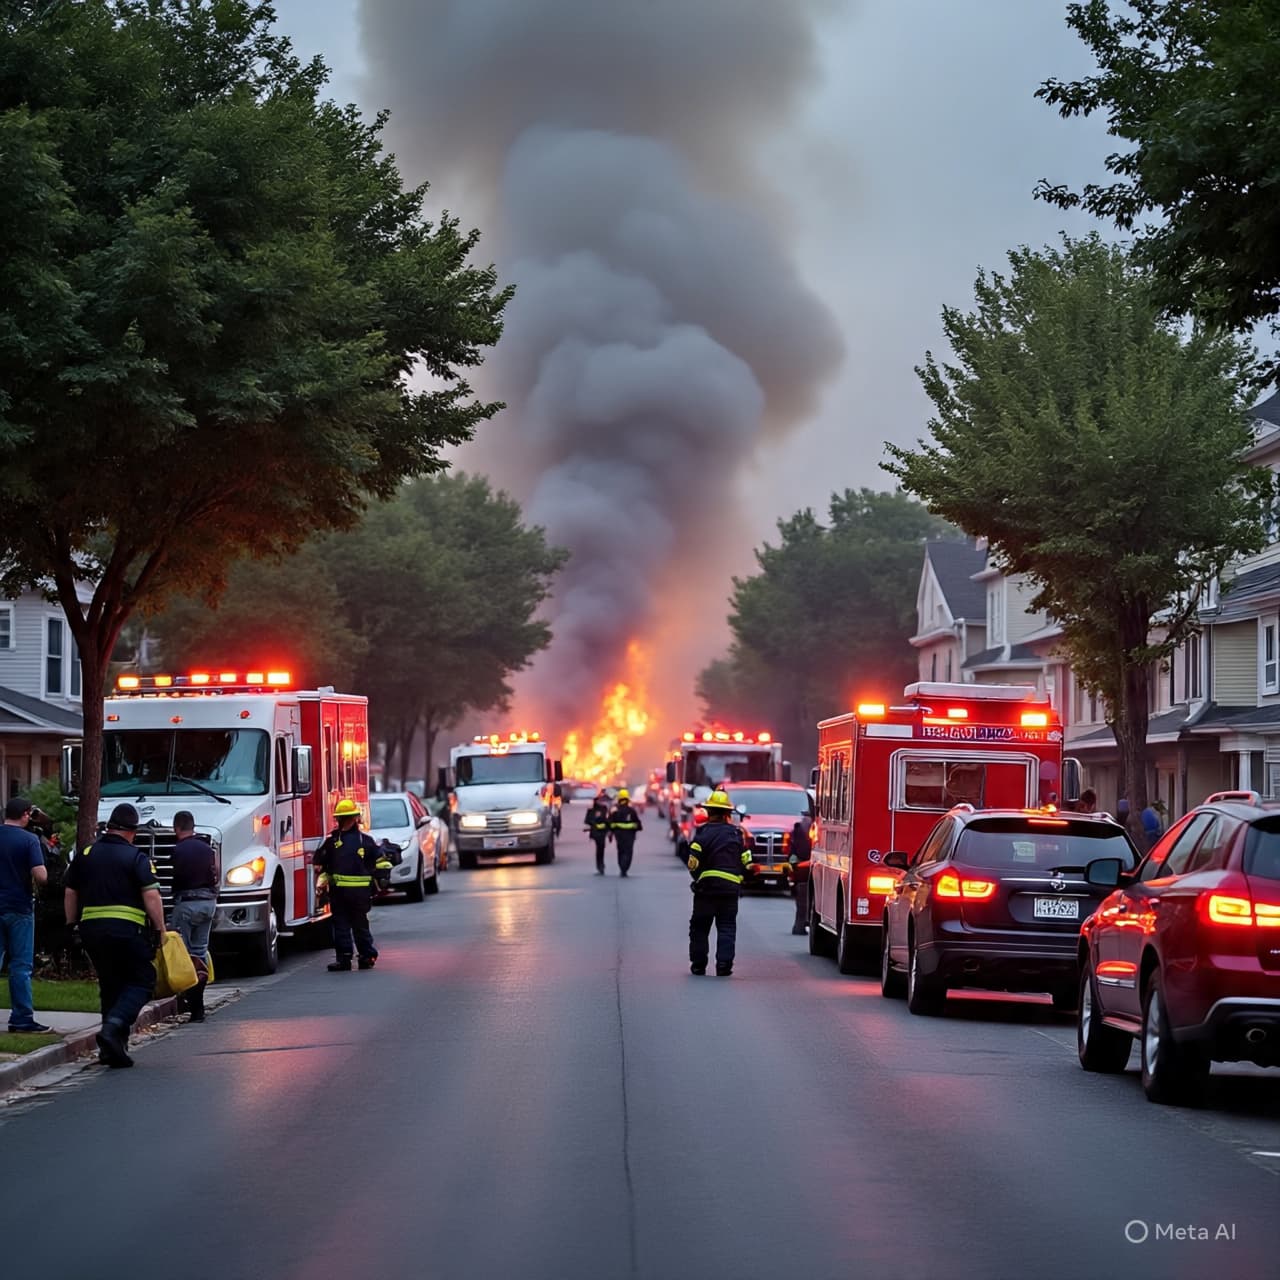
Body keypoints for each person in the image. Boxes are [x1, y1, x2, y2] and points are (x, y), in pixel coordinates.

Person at [64, 803, 166, 1068]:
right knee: (143, 980)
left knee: (110, 985)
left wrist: (71, 924)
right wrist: (160, 929)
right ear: (132, 831)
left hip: (91, 931)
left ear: (108, 827)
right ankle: (113, 1028)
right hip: (127, 930)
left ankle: (112, 1050)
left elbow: (70, 892)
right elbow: (151, 895)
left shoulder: (86, 853)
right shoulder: (135, 857)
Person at [685, 790, 752, 977]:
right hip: (730, 891)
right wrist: (742, 876)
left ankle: (698, 965)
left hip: (706, 890)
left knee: (699, 927)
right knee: (727, 927)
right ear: (727, 814)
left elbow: (693, 863)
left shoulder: (702, 834)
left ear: (709, 812)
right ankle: (724, 965)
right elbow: (746, 860)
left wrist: (698, 878)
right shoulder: (737, 834)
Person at [314, 798, 385, 971]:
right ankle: (367, 957)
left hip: (340, 893)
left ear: (339, 819)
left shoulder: (332, 841)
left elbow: (318, 863)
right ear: (355, 818)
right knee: (360, 925)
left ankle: (344, 960)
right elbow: (380, 861)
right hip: (360, 894)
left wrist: (323, 882)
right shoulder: (365, 841)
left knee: (342, 925)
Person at [0, 797, 51, 1034]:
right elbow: (41, 876)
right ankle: (21, 1019)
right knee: (20, 966)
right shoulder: (29, 840)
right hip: (19, 908)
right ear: (26, 814)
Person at [169, 810, 218, 1022]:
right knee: (200, 952)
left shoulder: (178, 850)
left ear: (176, 828)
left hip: (187, 904)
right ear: (193, 827)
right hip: (208, 904)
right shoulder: (207, 848)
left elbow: (177, 877)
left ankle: (190, 1003)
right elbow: (214, 873)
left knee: (184, 954)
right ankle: (199, 1006)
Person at [608, 788, 643, 877]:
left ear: (619, 799)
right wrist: (637, 827)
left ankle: (622, 868)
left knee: (620, 851)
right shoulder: (631, 811)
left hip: (619, 835)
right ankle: (625, 868)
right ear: (627, 799)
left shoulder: (614, 811)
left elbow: (610, 823)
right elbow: (638, 824)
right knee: (628, 852)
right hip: (630, 836)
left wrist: (610, 834)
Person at [788, 818, 812, 936]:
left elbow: (792, 852)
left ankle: (799, 925)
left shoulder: (798, 828)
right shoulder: (811, 827)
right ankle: (800, 925)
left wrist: (794, 867)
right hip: (808, 868)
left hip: (801, 869)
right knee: (804, 897)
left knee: (802, 898)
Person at [584, 792, 611, 875]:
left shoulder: (604, 809)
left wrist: (609, 832)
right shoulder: (592, 810)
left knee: (600, 849)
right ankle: (600, 866)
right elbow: (587, 820)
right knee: (600, 849)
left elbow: (608, 821)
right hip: (597, 833)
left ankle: (600, 866)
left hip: (602, 832)